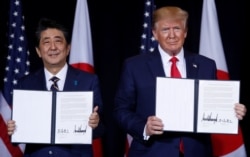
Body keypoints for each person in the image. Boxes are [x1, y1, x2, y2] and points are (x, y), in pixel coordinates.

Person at [113, 6, 247, 157]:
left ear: (185, 32)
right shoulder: (134, 66)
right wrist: (144, 127)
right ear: (155, 34)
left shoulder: (206, 65)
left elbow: (212, 105)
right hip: (151, 151)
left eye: (177, 28)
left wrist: (231, 111)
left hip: (195, 151)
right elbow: (120, 109)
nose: (172, 35)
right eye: (165, 30)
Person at [7, 18, 104, 157]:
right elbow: (17, 136)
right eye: (46, 42)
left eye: (58, 41)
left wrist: (96, 123)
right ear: (38, 51)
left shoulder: (88, 81)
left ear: (68, 48)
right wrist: (13, 130)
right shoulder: (25, 84)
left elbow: (101, 129)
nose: (53, 47)